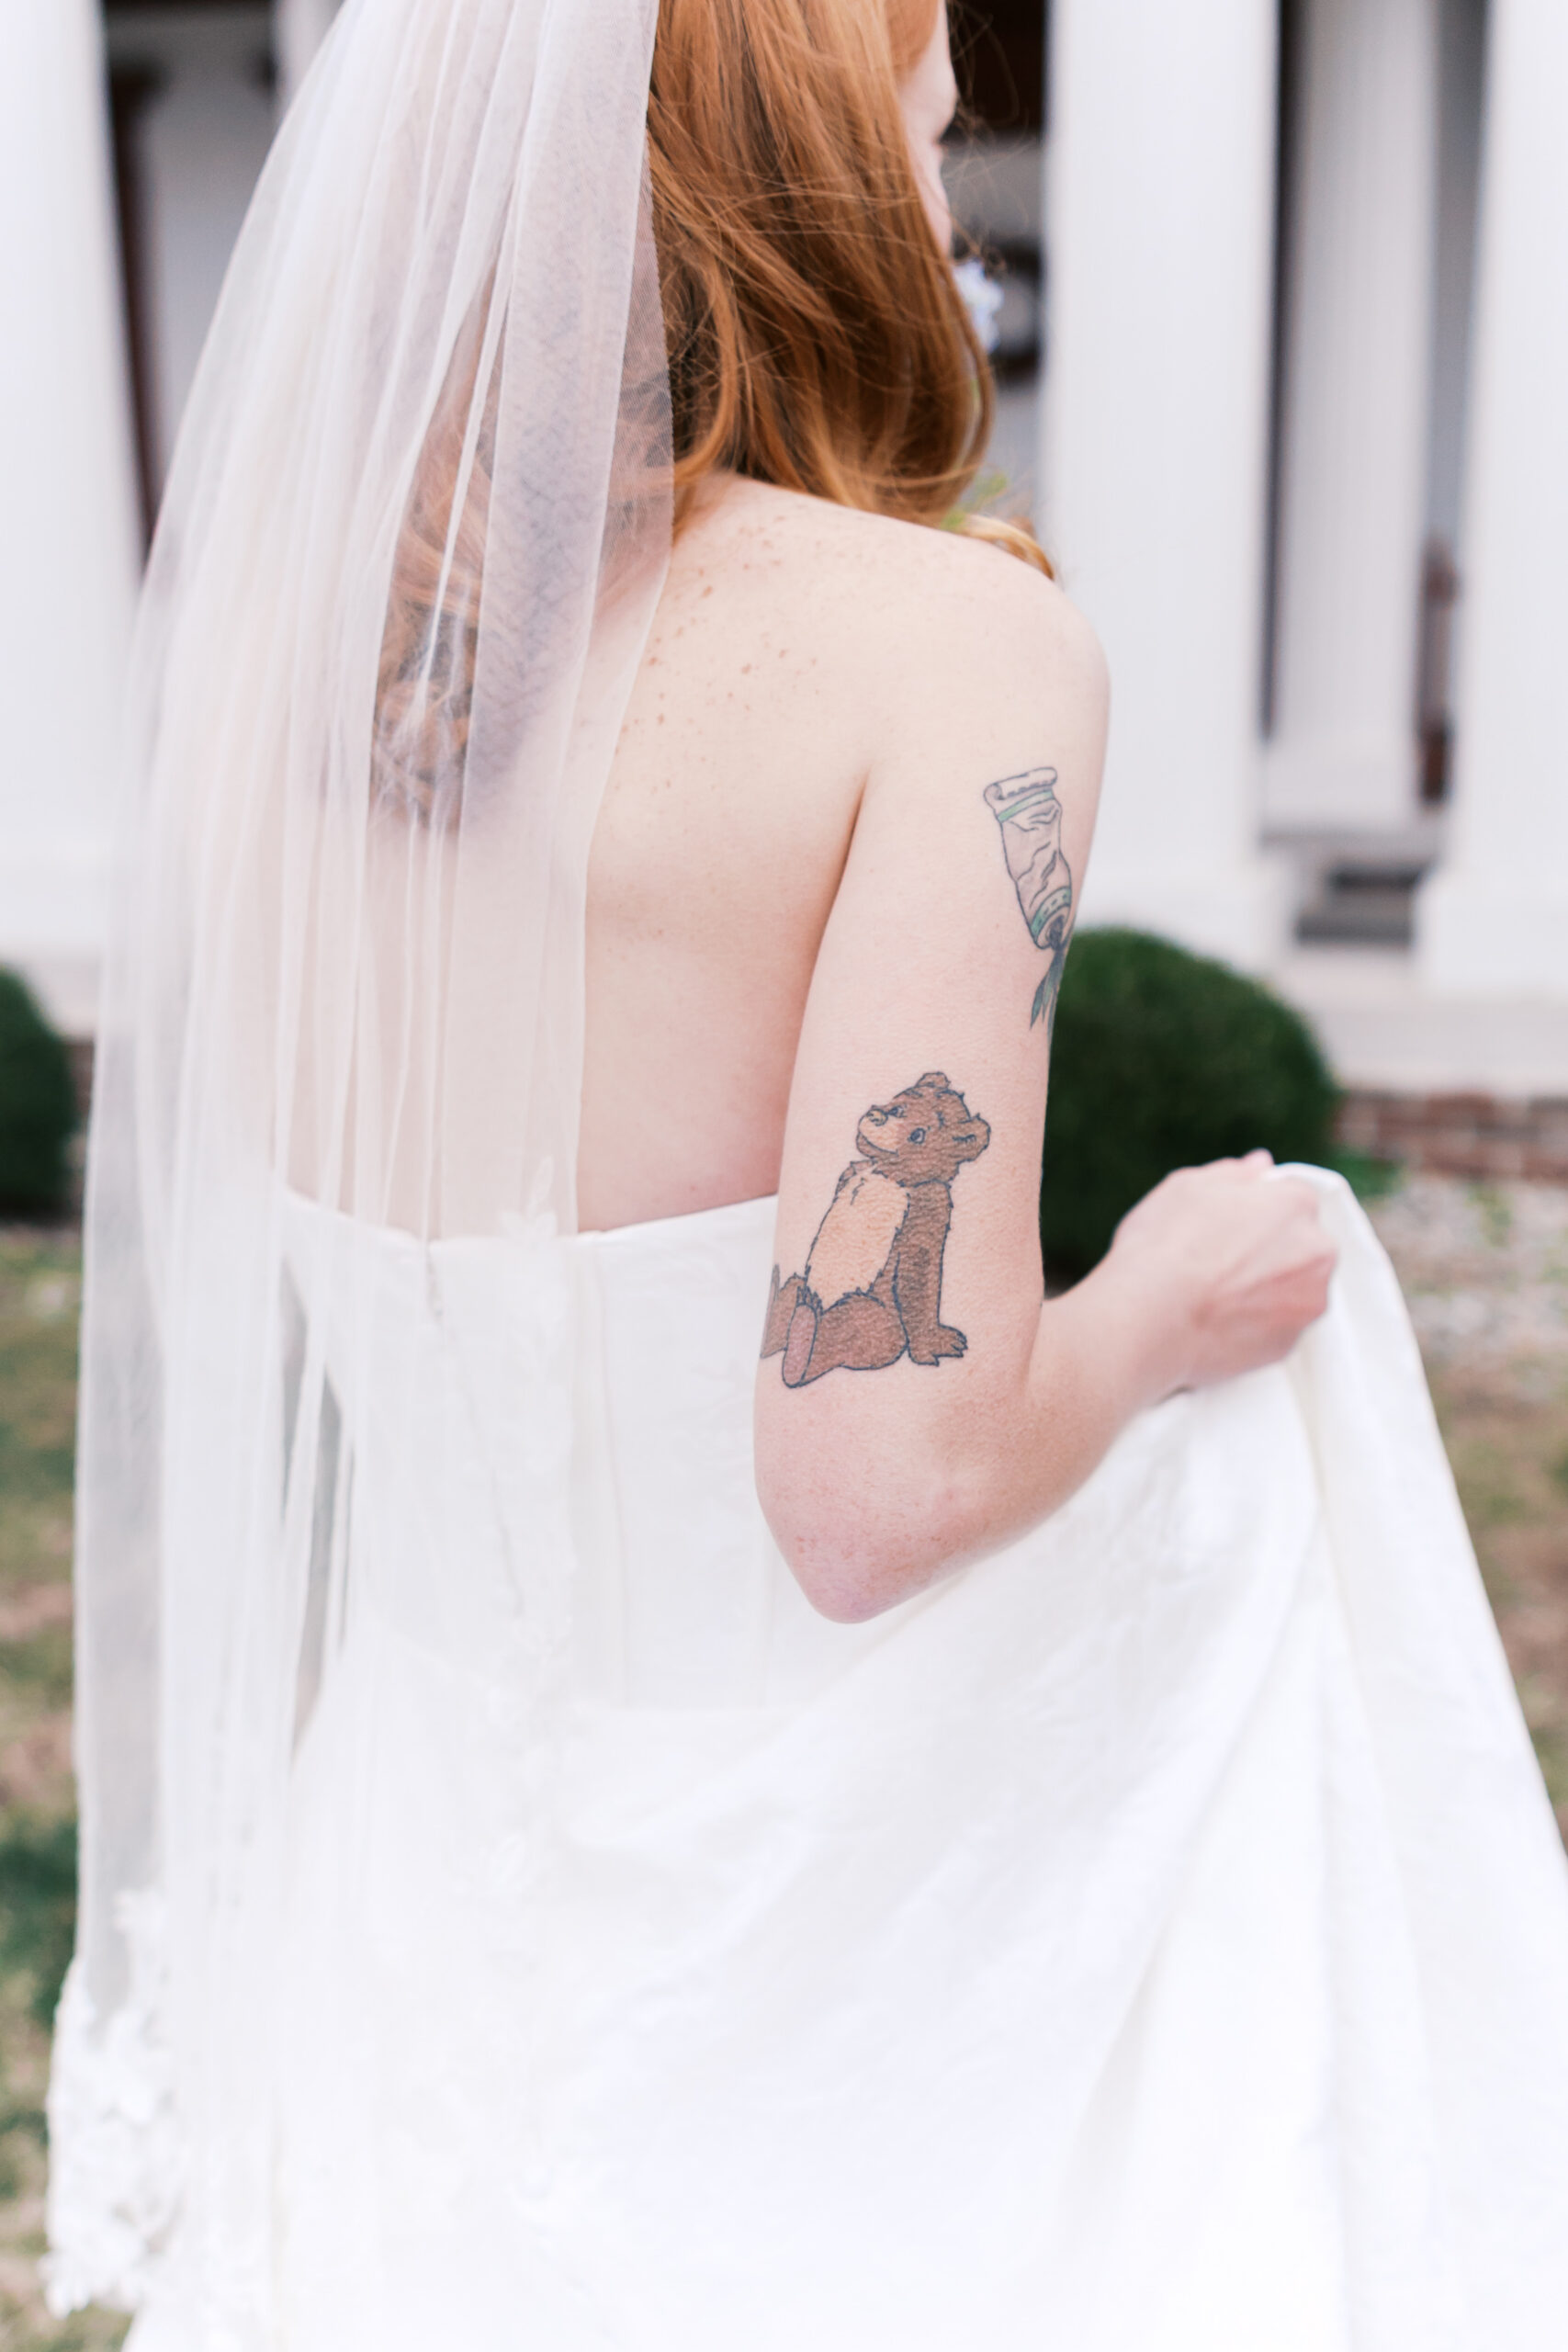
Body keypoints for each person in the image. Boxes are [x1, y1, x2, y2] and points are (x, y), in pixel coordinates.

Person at [46, 2, 1568, 2346]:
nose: (951, 223)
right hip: (815, 1911)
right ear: (808, 172)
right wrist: (1163, 1288)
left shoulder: (289, 664)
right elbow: (875, 1485)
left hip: (417, 1861)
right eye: (930, 137)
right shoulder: (943, 648)